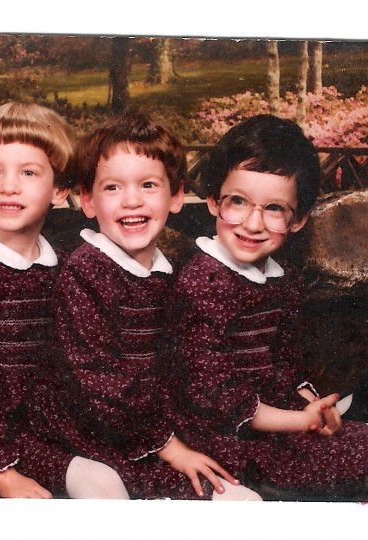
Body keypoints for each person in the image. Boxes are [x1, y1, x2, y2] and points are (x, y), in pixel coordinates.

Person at [169, 114, 368, 501]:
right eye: (238, 202)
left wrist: (314, 405)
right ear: (213, 201)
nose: (252, 223)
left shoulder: (281, 277)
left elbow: (284, 364)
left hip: (275, 419)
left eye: (274, 208)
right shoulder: (202, 283)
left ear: (299, 219)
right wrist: (300, 421)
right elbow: (215, 399)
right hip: (228, 439)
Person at [45, 111, 262, 500]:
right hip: (90, 432)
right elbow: (100, 384)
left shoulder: (170, 273)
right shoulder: (85, 272)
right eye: (112, 188)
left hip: (154, 427)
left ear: (176, 196)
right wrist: (172, 447)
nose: (132, 201)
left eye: (148, 185)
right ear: (88, 200)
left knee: (239, 489)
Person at [0, 102, 129, 499]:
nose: (8, 186)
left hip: (45, 436)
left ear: (59, 190)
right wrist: (3, 473)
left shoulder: (66, 269)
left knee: (105, 484)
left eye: (28, 173)